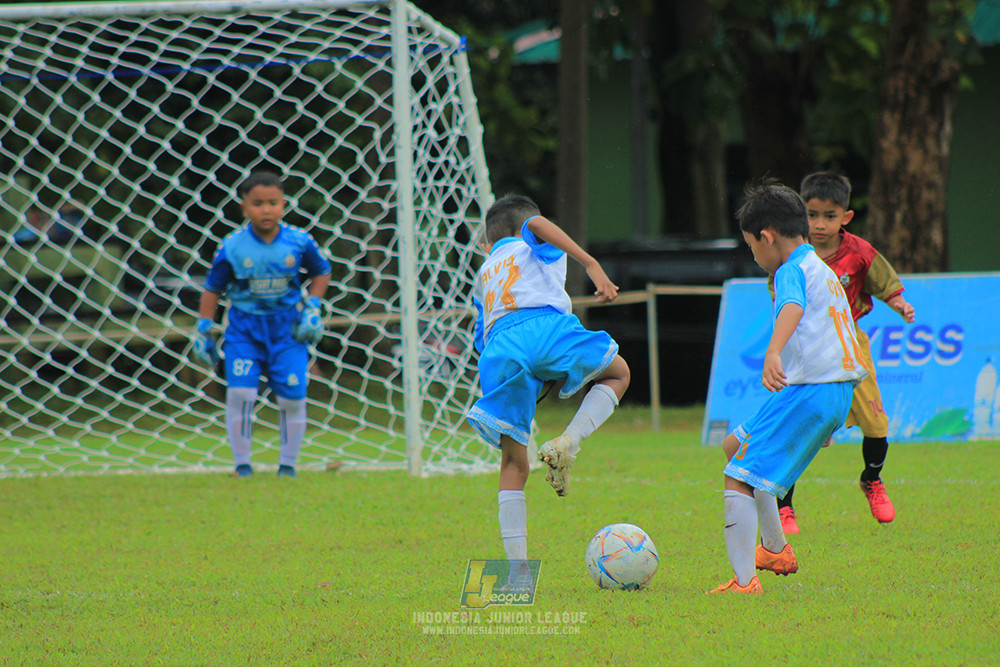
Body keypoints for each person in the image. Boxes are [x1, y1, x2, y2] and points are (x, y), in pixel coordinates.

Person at [709, 180, 868, 594]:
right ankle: (775, 549)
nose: (754, 256)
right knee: (734, 446)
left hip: (811, 390)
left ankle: (745, 582)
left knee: (737, 477)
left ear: (767, 237)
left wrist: (773, 351)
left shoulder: (790, 271)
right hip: (832, 390)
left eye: (751, 246)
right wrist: (834, 412)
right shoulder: (823, 270)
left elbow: (792, 307)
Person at [466, 194, 630, 586]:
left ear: (487, 244)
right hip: (543, 327)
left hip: (498, 351)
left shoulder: (485, 272)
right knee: (618, 374)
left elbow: (480, 338)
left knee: (513, 464)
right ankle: (569, 442)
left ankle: (518, 574)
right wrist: (590, 264)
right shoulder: (533, 240)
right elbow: (537, 225)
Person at [776, 172, 915, 534]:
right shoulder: (793, 254)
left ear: (846, 217)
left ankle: (872, 479)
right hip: (807, 344)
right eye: (812, 215)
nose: (819, 224)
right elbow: (782, 295)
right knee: (796, 427)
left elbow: (885, 283)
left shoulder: (859, 252)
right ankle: (784, 507)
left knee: (876, 423)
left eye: (829, 216)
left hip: (850, 343)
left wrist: (899, 304)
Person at [192, 170, 331, 478]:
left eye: (272, 203)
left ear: (283, 205)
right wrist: (203, 327)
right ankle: (242, 465)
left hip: (288, 331)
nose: (266, 210)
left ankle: (288, 466)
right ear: (244, 208)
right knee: (241, 395)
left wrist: (313, 306)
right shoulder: (232, 246)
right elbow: (213, 288)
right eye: (257, 204)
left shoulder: (299, 241)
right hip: (244, 331)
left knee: (292, 397)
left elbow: (322, 271)